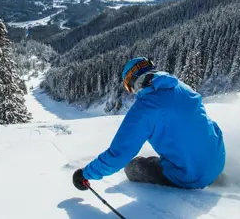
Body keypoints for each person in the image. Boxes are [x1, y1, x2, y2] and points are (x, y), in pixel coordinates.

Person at [73, 57, 225, 191]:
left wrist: (85, 173)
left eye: (128, 86)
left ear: (133, 82)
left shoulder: (144, 108)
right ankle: (209, 171)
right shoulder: (180, 86)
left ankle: (193, 174)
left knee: (132, 166)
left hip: (190, 176)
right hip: (218, 159)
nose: (131, 91)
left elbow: (118, 155)